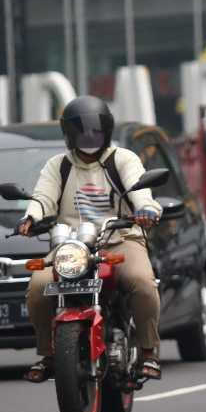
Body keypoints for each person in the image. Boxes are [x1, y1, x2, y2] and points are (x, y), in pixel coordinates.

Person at [20, 96, 164, 383]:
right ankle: (49, 354)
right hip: (71, 246)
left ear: (106, 131)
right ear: (69, 134)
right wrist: (31, 218)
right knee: (37, 289)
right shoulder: (57, 165)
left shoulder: (122, 159)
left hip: (120, 239)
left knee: (143, 283)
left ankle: (148, 352)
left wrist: (146, 209)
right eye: (81, 130)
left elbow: (139, 190)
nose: (88, 136)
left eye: (95, 130)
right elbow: (43, 197)